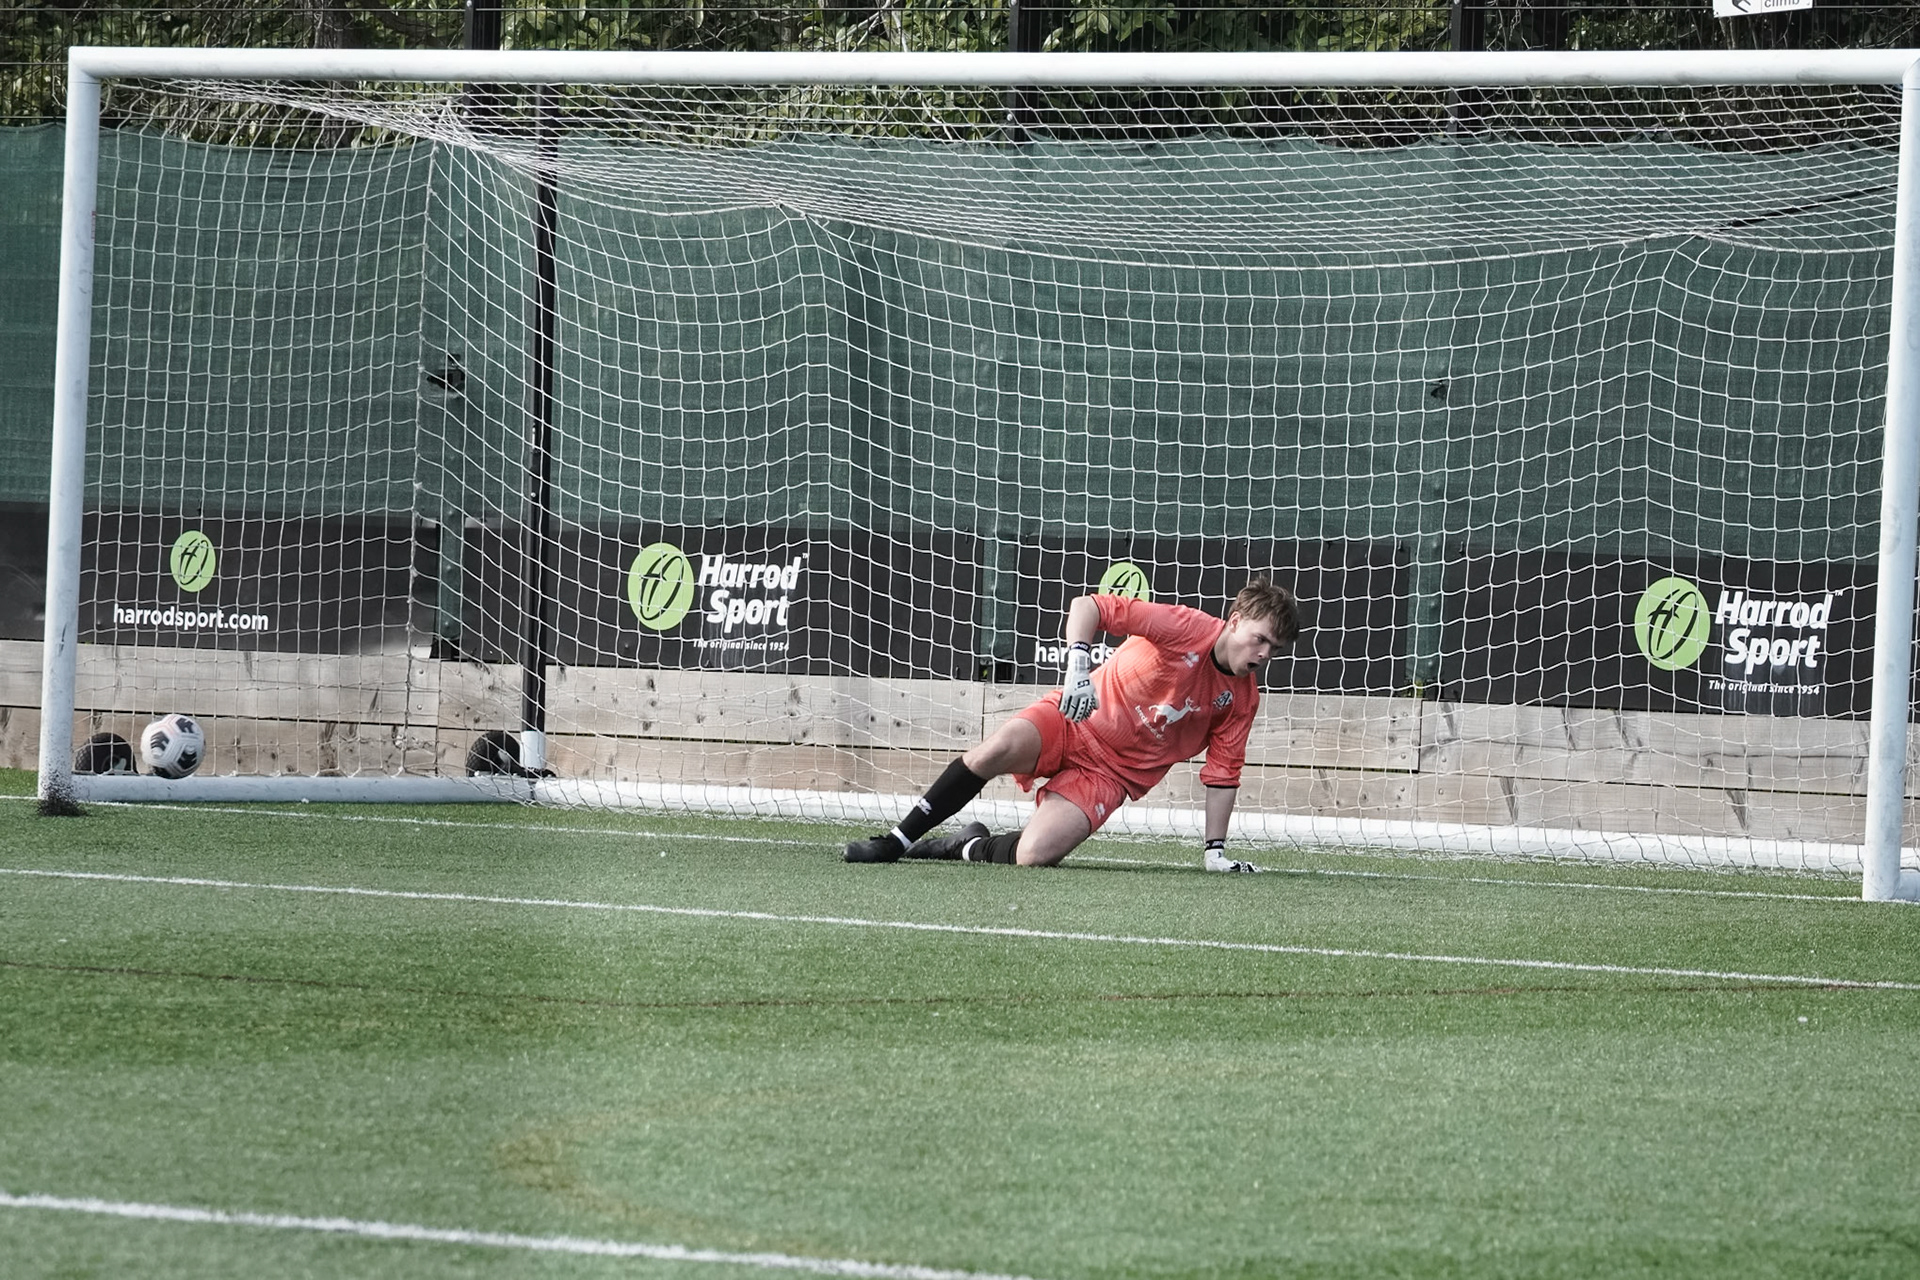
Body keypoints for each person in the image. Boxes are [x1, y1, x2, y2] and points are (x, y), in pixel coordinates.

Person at [843, 576, 1301, 870]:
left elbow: (1222, 775)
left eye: (1275, 649)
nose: (1264, 654)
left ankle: (962, 845)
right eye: (1260, 639)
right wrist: (1078, 668)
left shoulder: (1243, 700)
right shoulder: (1183, 626)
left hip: (1112, 774)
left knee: (1033, 855)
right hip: (1074, 721)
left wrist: (1215, 852)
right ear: (1235, 622)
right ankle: (895, 841)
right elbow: (1088, 607)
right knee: (997, 748)